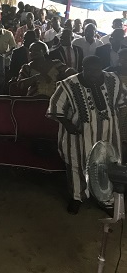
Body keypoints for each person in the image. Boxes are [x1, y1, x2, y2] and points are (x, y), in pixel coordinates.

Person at [47, 56, 127, 214]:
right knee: (77, 166)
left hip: (109, 135)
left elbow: (122, 103)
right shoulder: (68, 85)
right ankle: (77, 197)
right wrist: (68, 125)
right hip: (78, 137)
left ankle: (106, 199)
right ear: (82, 68)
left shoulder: (114, 80)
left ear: (101, 68)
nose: (92, 73)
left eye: (96, 70)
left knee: (107, 166)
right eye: (88, 70)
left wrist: (123, 130)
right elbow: (55, 108)